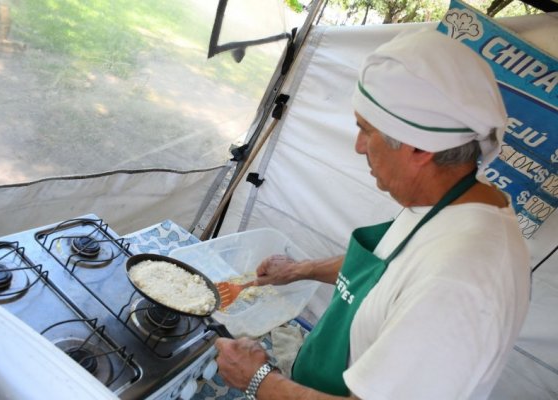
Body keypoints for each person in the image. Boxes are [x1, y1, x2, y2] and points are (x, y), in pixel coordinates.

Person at [215, 29, 531, 400]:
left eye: (367, 131)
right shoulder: (448, 204)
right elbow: (387, 272)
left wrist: (257, 380)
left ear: (418, 147)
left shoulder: (462, 284)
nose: (358, 145)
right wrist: (299, 271)